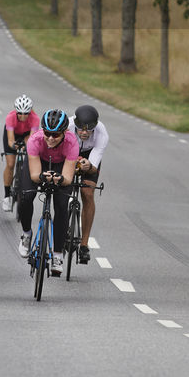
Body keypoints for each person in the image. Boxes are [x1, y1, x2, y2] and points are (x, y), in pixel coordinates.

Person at [16, 109, 80, 276]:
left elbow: (67, 177)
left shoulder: (72, 143)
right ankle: (26, 234)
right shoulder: (35, 140)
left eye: (56, 135)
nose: (51, 138)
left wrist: (58, 179)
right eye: (47, 133)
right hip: (39, 165)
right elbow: (34, 175)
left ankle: (58, 254)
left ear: (65, 133)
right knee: (26, 196)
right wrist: (43, 177)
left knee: (61, 205)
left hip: (61, 167)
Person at [72, 104, 109, 264]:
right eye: (81, 129)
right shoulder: (66, 127)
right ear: (75, 124)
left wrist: (87, 166)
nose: (85, 133)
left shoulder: (102, 133)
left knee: (87, 193)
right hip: (69, 150)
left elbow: (93, 164)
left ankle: (84, 244)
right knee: (62, 187)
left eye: (89, 130)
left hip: (90, 156)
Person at [1, 94, 38, 212]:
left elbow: (32, 138)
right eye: (20, 113)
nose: (23, 116)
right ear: (16, 111)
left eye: (26, 113)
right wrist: (14, 146)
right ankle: (7, 196)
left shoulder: (35, 118)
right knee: (11, 164)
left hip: (27, 135)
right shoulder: (10, 117)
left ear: (30, 112)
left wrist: (25, 147)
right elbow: (11, 139)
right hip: (13, 135)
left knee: (29, 148)